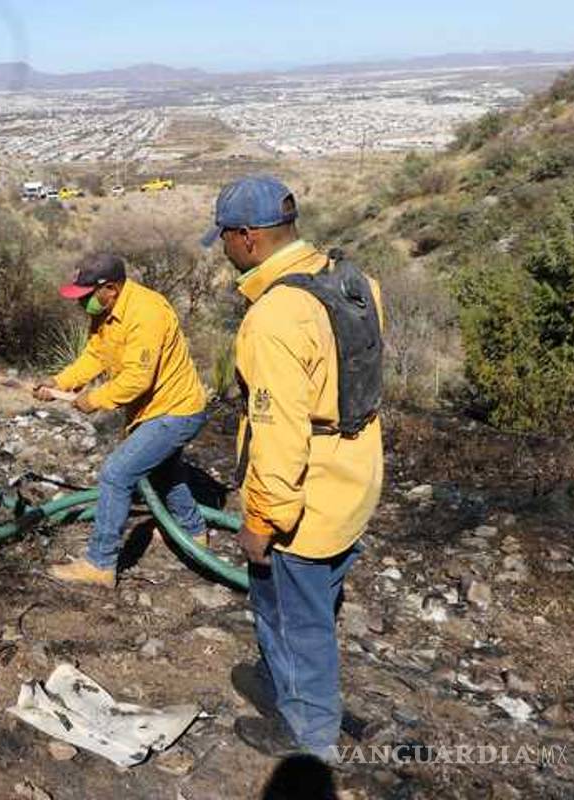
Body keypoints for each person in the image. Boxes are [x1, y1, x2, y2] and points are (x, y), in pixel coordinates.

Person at [201, 175, 384, 759]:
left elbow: (279, 433)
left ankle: (308, 733)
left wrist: (264, 519)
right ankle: (292, 686)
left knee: (293, 617)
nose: (224, 248)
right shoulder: (351, 279)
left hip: (308, 497)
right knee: (317, 601)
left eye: (225, 237)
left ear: (248, 238)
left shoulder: (275, 316)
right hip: (355, 478)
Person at [34, 253, 209, 587]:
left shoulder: (147, 312)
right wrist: (60, 382)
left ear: (110, 289)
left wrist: (94, 400)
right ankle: (194, 533)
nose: (81, 303)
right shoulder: (105, 312)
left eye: (86, 296)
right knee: (164, 470)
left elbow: (137, 380)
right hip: (153, 411)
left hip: (176, 410)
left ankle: (100, 564)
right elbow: (94, 356)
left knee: (116, 474)